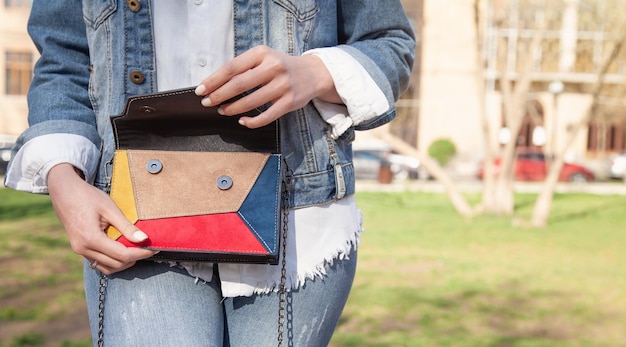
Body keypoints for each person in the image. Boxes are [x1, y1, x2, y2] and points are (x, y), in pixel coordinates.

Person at [5, 1, 415, 346]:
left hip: (296, 217)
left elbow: (390, 45)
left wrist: (312, 73)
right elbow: (64, 63)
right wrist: (63, 179)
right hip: (135, 217)